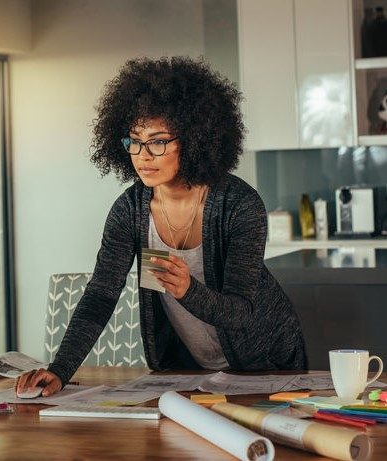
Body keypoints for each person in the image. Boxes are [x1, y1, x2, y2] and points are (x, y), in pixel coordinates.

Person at [16, 56, 307, 397]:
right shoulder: (131, 211)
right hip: (190, 371)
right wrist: (60, 370)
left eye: (158, 141)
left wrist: (188, 291)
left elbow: (241, 312)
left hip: (266, 364)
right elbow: (101, 294)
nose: (143, 155)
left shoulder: (239, 205)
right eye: (134, 141)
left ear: (196, 138)